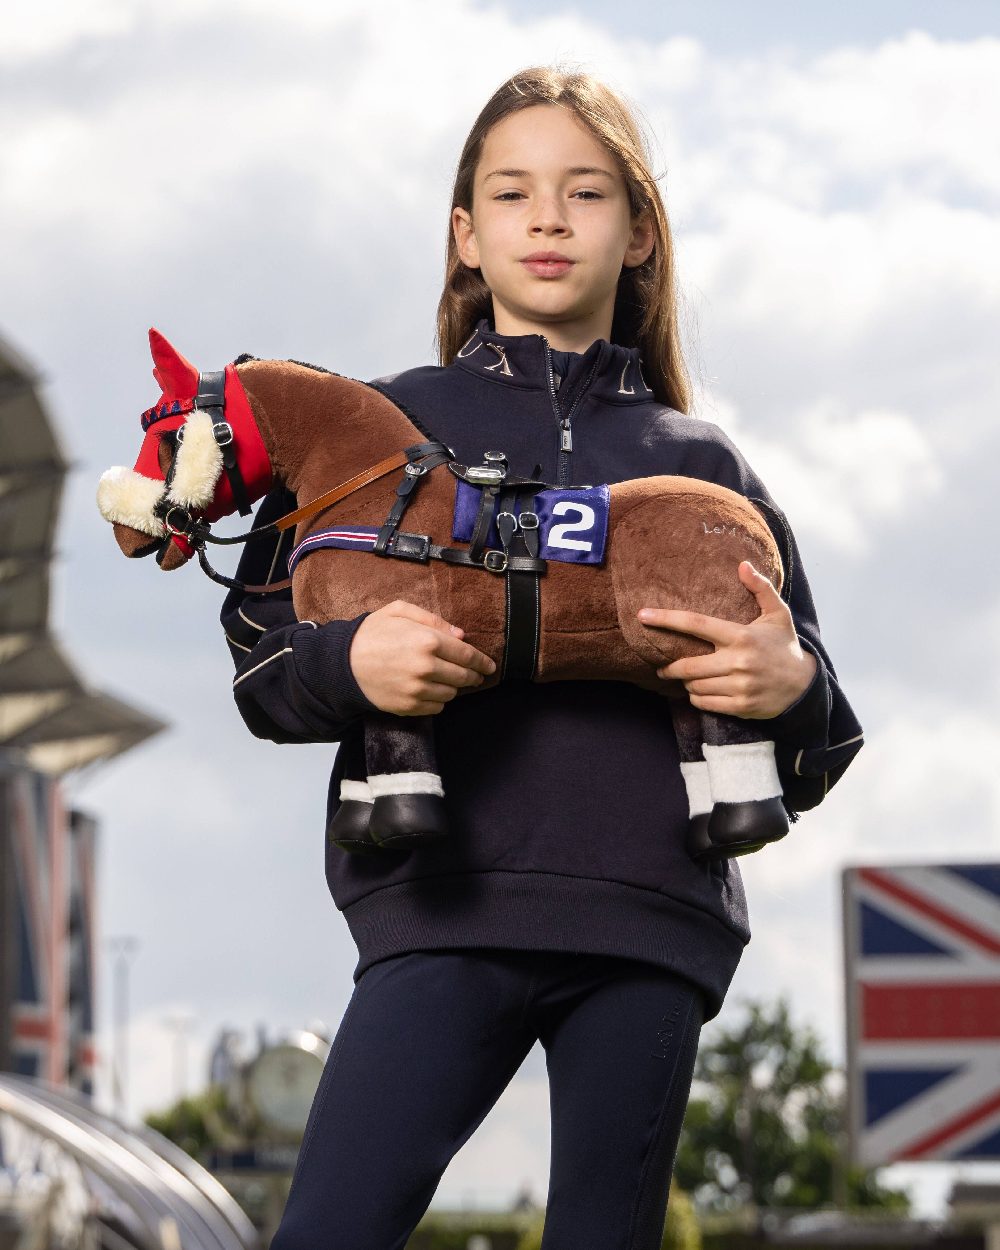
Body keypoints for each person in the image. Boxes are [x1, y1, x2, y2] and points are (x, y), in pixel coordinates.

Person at [221, 67, 863, 1250]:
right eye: (512, 194)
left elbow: (824, 738)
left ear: (640, 236)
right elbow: (261, 663)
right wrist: (353, 662)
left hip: (646, 927)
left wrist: (790, 688)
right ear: (466, 236)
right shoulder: (376, 430)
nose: (550, 219)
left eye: (585, 192)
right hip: (440, 910)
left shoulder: (701, 464)